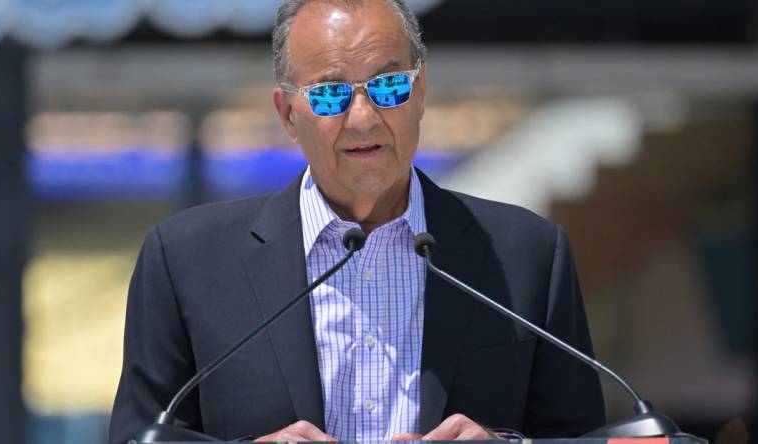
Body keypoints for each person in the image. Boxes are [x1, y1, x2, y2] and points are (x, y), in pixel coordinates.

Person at [108, 0, 605, 442]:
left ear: (421, 92)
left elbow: (583, 436)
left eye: (388, 86)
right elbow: (140, 438)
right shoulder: (185, 260)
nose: (364, 118)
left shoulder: (529, 254)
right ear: (287, 115)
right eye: (330, 95)